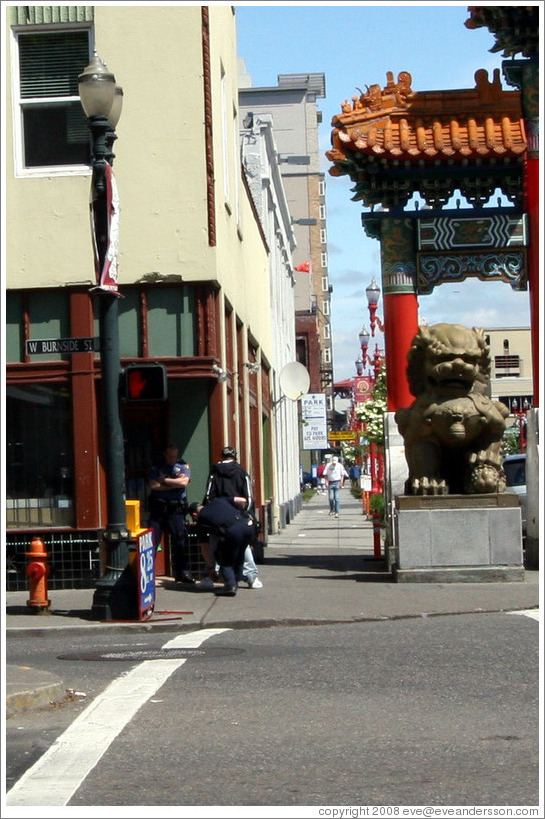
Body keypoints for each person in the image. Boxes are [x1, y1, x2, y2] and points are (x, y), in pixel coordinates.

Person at [200, 445, 263, 589]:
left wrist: (213, 512)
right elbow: (249, 497)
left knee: (215, 544)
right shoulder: (241, 472)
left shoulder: (214, 473)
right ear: (235, 457)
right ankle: (251, 577)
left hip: (220, 516)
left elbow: (209, 495)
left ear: (222, 457)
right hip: (239, 516)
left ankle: (212, 574)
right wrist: (247, 515)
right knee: (242, 546)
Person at [147, 442, 194, 584]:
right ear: (165, 455)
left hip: (176, 509)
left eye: (175, 456)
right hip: (159, 508)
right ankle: (149, 573)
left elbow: (184, 483)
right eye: (170, 456)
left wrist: (165, 481)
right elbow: (154, 486)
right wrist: (174, 485)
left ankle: (183, 573)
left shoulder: (182, 465)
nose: (173, 459)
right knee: (153, 540)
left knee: (180, 540)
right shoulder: (157, 467)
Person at [190, 498, 257, 596]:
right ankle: (238, 579)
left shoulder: (201, 520)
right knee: (239, 554)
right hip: (249, 526)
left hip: (233, 531)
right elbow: (241, 500)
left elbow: (204, 548)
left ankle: (230, 586)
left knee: (223, 557)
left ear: (195, 514)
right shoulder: (218, 500)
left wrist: (211, 568)